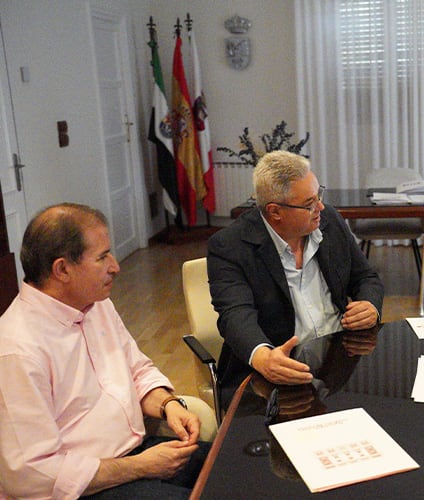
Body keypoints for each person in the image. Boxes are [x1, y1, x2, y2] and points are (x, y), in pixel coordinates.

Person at [0, 203, 209, 498]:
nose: (116, 266)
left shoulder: (96, 304)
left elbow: (138, 371)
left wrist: (168, 405)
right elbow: (32, 474)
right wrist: (141, 467)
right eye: (102, 257)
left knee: (234, 467)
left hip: (135, 457)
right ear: (62, 269)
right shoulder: (17, 349)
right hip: (84, 489)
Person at [207, 150, 384, 406]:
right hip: (274, 377)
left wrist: (370, 305)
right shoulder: (230, 246)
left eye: (319, 195)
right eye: (309, 203)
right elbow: (235, 315)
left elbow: (366, 277)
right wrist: (263, 356)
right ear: (275, 211)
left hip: (340, 359)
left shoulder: (329, 221)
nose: (320, 207)